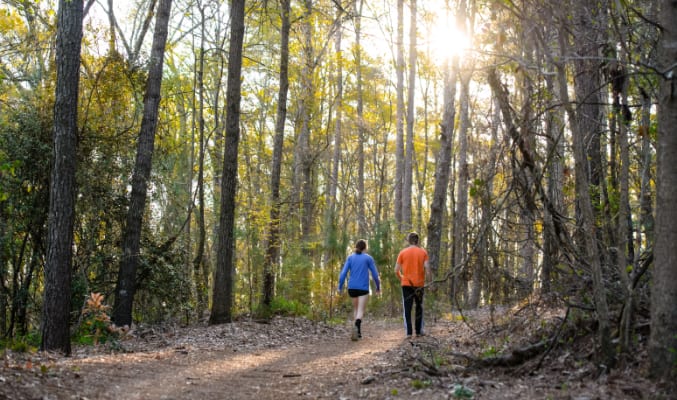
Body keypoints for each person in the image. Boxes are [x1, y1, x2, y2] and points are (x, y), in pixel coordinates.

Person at [338, 239, 381, 341]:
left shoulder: (350, 258)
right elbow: (375, 275)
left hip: (352, 288)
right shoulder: (368, 258)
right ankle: (357, 327)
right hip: (363, 288)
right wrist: (378, 287)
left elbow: (343, 273)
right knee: (360, 310)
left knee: (356, 310)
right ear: (365, 248)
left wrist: (339, 287)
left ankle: (358, 332)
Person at [395, 232, 431, 338]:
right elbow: (428, 269)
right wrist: (430, 282)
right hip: (419, 284)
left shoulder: (402, 253)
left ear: (408, 241)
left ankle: (409, 333)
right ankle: (419, 331)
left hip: (406, 284)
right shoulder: (423, 253)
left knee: (407, 308)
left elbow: (396, 270)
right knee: (419, 307)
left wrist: (402, 278)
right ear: (417, 241)